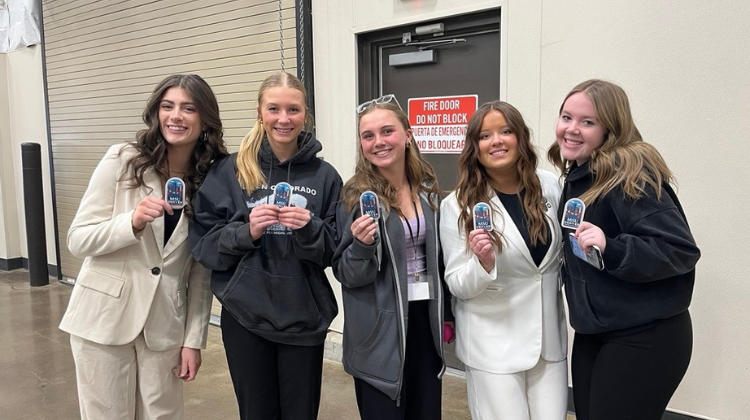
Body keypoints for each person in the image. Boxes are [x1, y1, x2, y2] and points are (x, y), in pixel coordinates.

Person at [60, 74, 228, 419]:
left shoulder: (211, 179)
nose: (176, 116)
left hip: (164, 325)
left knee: (163, 415)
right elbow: (78, 239)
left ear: (205, 119)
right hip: (104, 318)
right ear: (156, 112)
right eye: (168, 106)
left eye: (188, 108)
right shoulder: (123, 159)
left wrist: (193, 339)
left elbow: (201, 271)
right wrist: (130, 223)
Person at [189, 71, 342, 420]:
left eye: (293, 110)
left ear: (306, 114)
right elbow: (203, 245)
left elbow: (336, 252)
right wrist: (247, 233)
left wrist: (309, 229)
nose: (284, 119)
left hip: (303, 320)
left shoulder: (325, 176)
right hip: (246, 318)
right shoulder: (230, 171)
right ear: (260, 111)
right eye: (274, 109)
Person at [548, 79, 700, 420]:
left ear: (610, 129)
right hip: (595, 332)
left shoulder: (629, 175)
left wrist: (612, 248)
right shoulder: (581, 175)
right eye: (566, 117)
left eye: (587, 122)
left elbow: (678, 249)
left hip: (644, 335)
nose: (571, 129)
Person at [440, 101, 568, 419]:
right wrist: (482, 263)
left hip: (548, 343)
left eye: (506, 131)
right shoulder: (457, 205)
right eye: (485, 135)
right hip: (493, 346)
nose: (497, 141)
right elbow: (457, 284)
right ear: (475, 147)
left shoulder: (550, 185)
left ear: (520, 138)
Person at [332, 95, 454, 420]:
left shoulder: (427, 190)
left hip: (425, 326)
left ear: (408, 135)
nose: (378, 142)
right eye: (368, 135)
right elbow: (347, 273)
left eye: (387, 131)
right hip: (379, 334)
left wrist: (448, 313)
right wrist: (360, 246)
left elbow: (439, 260)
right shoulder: (355, 197)